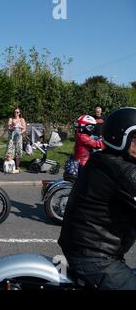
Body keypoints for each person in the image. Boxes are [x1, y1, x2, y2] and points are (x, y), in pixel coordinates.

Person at [58, 107, 136, 290]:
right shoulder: (125, 172)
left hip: (84, 247)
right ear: (121, 138)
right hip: (94, 257)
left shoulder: (104, 159)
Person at [5, 108, 26, 172]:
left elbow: (24, 129)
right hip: (11, 137)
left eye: (17, 112)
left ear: (20, 113)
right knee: (9, 150)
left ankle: (17, 166)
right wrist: (13, 124)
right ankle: (8, 166)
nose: (16, 113)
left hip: (19, 137)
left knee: (18, 151)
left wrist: (19, 133)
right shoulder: (11, 119)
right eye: (15, 112)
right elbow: (8, 127)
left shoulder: (22, 119)